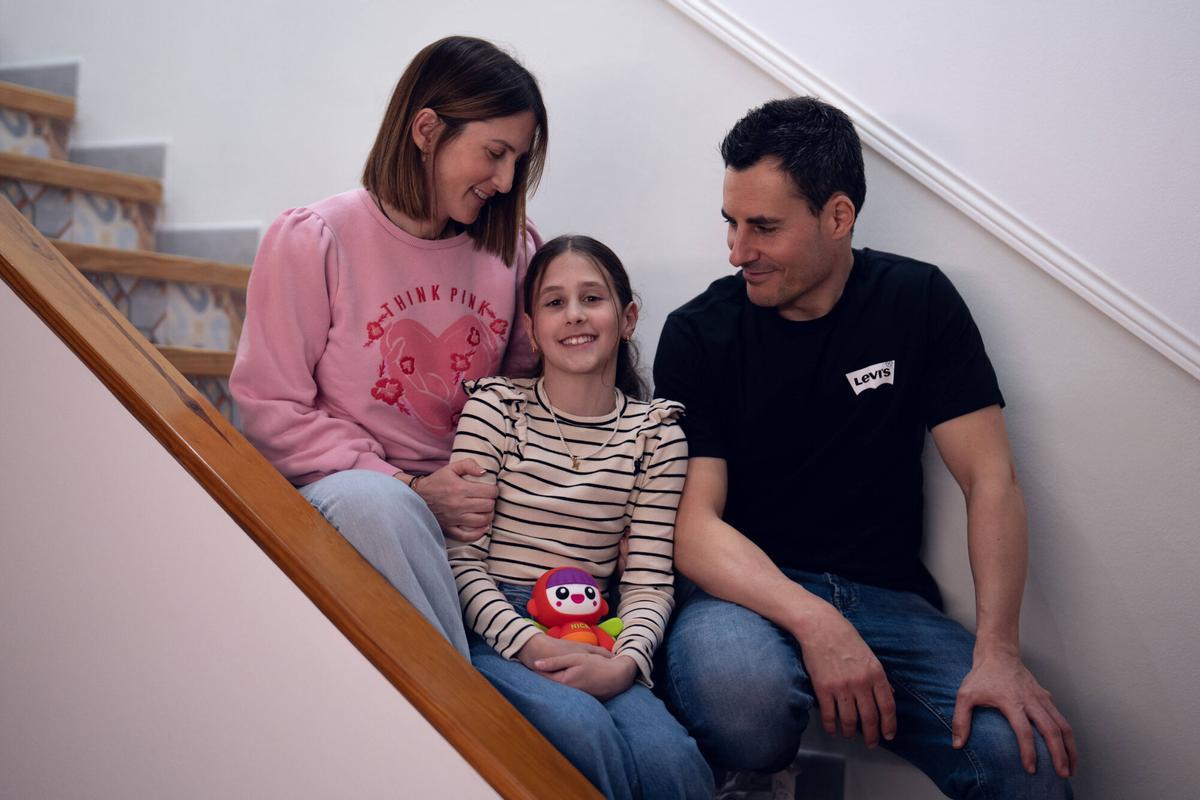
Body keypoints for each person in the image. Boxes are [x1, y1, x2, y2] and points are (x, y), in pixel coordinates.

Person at [652, 97, 1076, 798]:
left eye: (763, 227)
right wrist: (814, 620)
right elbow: (694, 529)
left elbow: (991, 480)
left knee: (1020, 755)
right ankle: (759, 778)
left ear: (838, 216)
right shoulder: (701, 332)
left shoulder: (918, 300)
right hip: (744, 594)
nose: (736, 251)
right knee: (745, 705)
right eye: (730, 222)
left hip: (888, 599)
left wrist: (998, 653)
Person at [230, 36, 547, 657]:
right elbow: (272, 411)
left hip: (475, 498)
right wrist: (410, 484)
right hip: (357, 490)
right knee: (378, 504)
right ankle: (469, 715)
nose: (507, 181)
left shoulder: (515, 248)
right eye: (495, 153)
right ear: (427, 128)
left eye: (519, 161)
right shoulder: (315, 238)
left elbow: (525, 394)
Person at [446, 235, 713, 800]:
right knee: (584, 731)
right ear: (531, 328)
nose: (574, 315)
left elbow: (646, 581)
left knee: (676, 765)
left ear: (628, 316)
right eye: (554, 302)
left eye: (591, 298)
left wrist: (627, 663)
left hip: (597, 630)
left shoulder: (657, 434)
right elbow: (461, 560)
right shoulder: (495, 408)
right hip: (496, 628)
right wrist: (527, 643)